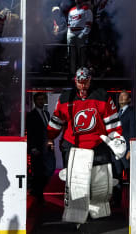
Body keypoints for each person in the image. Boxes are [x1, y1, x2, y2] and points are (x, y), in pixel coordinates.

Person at [47, 67, 126, 225]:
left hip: (98, 144)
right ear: (75, 81)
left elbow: (112, 122)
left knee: (100, 184)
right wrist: (50, 137)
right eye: (80, 82)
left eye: (86, 82)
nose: (83, 86)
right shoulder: (65, 98)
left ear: (90, 80)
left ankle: (99, 211)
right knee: (77, 183)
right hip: (74, 145)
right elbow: (57, 120)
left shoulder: (102, 96)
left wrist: (116, 138)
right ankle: (76, 212)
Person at [26, 92, 55, 202]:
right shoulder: (31, 115)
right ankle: (38, 193)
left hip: (47, 146)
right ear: (35, 101)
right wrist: (33, 147)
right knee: (38, 171)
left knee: (50, 169)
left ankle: (37, 190)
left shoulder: (47, 113)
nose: (41, 101)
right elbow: (31, 132)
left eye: (43, 99)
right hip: (37, 147)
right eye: (39, 99)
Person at [111, 90, 134, 207]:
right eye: (120, 96)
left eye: (124, 96)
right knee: (116, 175)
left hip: (126, 150)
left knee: (130, 175)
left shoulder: (131, 113)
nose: (121, 97)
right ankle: (116, 200)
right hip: (116, 149)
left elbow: (132, 132)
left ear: (129, 100)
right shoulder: (116, 113)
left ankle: (132, 200)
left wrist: (130, 149)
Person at [67, 0, 93, 74]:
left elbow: (89, 23)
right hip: (71, 34)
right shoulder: (71, 10)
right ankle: (72, 73)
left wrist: (83, 34)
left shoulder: (87, 9)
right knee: (71, 55)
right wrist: (69, 33)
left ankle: (82, 74)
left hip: (81, 34)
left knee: (81, 55)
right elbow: (69, 23)